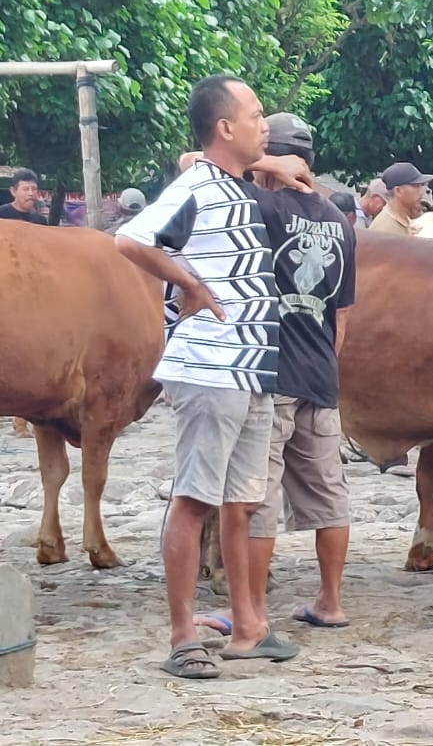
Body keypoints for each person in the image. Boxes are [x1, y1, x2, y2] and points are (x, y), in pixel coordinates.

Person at [115, 74, 294, 678]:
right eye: (254, 114)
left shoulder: (232, 184)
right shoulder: (197, 185)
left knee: (240, 503)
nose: (262, 124)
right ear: (225, 128)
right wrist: (190, 284)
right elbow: (130, 238)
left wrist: (276, 163)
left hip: (249, 367)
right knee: (195, 499)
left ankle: (248, 626)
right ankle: (182, 635)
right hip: (212, 365)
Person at [190, 112, 357, 639]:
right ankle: (329, 601)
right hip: (321, 375)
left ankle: (250, 612)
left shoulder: (259, 203)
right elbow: (341, 319)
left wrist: (262, 163)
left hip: (270, 372)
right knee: (330, 494)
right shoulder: (339, 220)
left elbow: (193, 163)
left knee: (254, 498)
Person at [367, 163, 433, 234]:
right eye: (416, 186)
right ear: (398, 191)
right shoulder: (387, 228)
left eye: (421, 185)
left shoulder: (400, 219)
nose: (421, 192)